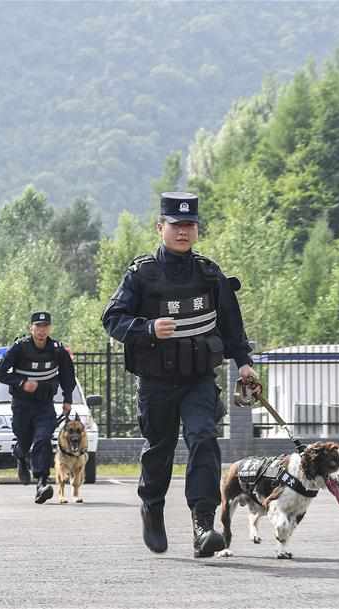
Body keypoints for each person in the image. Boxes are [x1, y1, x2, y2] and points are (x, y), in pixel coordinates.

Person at [102, 191, 258, 558]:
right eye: (176, 225)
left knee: (203, 436)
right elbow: (113, 319)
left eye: (189, 225)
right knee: (159, 449)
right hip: (156, 382)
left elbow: (232, 326)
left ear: (197, 230)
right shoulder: (141, 274)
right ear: (161, 228)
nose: (183, 232)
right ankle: (152, 508)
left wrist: (244, 362)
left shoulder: (209, 273)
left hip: (199, 379)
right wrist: (148, 328)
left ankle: (203, 524)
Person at [0, 311, 76, 504]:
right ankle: (21, 457)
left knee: (42, 439)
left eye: (45, 327)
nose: (41, 331)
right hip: (22, 404)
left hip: (44, 404)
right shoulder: (20, 348)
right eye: (38, 327)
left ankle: (41, 483)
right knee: (24, 441)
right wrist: (22, 382)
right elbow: (1, 373)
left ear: (50, 328)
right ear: (30, 328)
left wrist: (67, 399)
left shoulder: (57, 349)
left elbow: (67, 375)